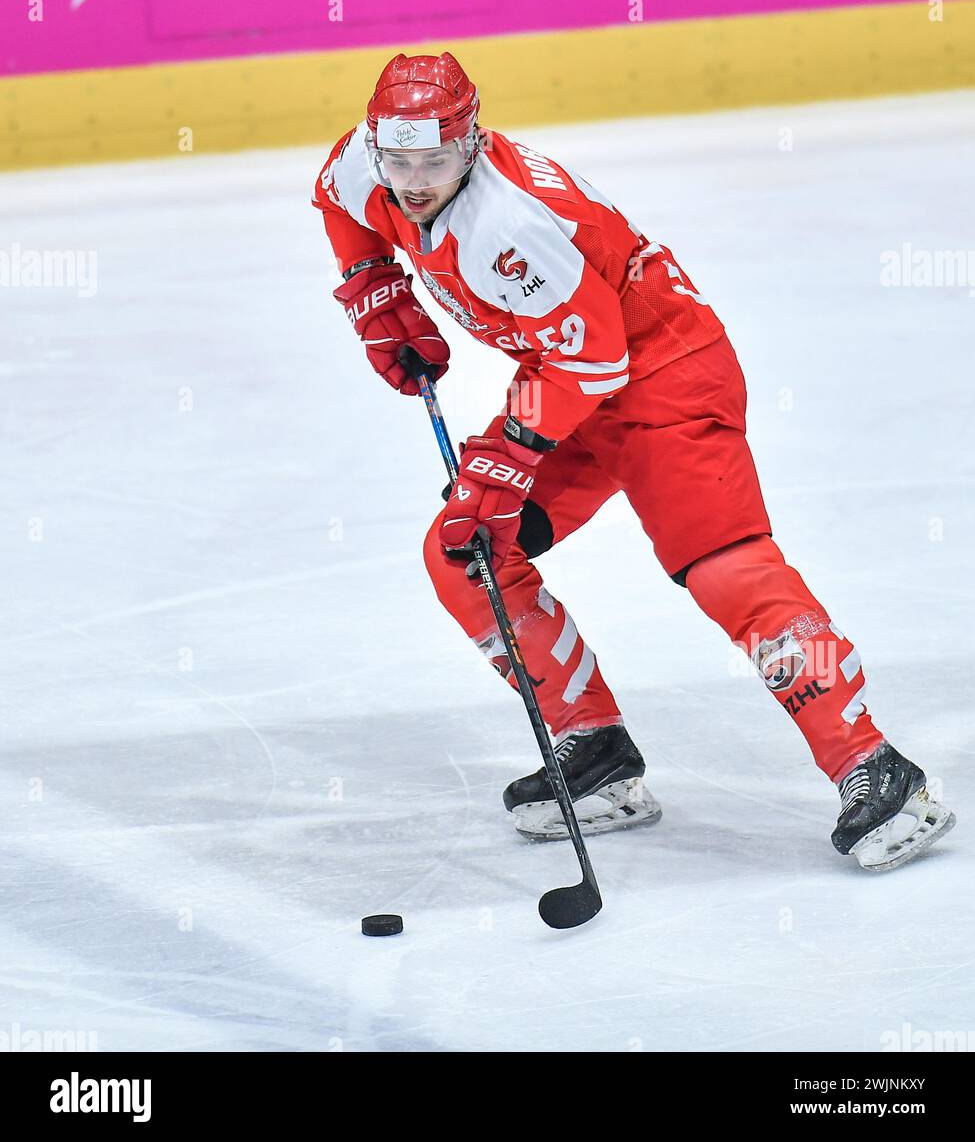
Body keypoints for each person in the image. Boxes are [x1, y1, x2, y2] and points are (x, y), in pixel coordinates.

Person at [314, 50, 954, 871]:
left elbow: (596, 362)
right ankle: (595, 751)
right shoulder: (367, 164)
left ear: (472, 143)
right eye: (397, 159)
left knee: (725, 569)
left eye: (433, 160)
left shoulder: (508, 226)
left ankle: (874, 767)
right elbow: (344, 207)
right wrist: (376, 289)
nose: (412, 180)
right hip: (574, 379)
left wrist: (504, 460)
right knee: (467, 549)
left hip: (665, 376)